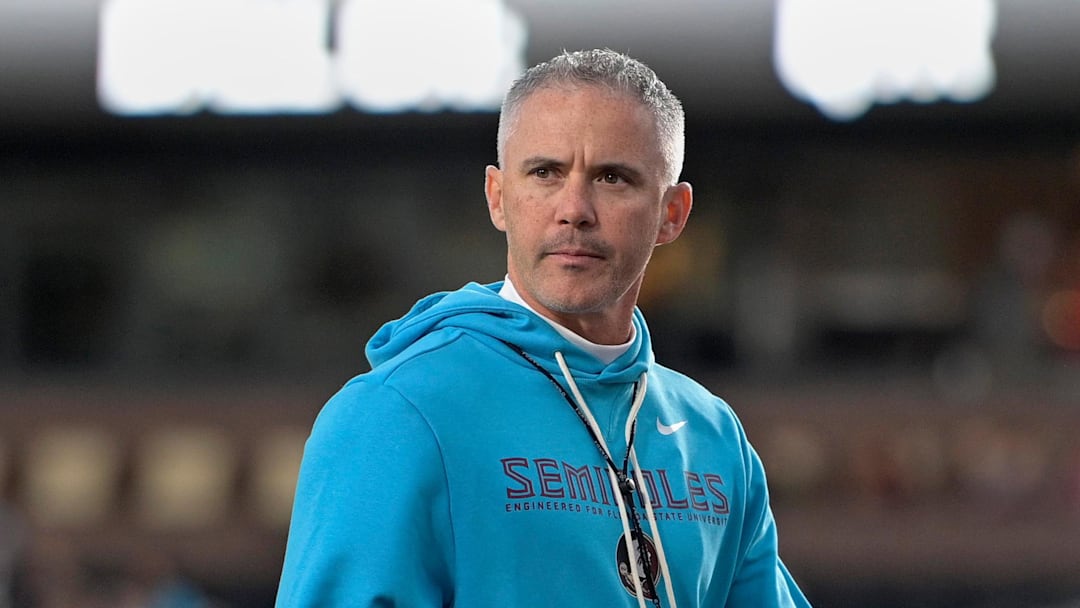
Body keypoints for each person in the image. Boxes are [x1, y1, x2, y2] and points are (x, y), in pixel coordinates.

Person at [275, 48, 811, 608]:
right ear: (498, 197)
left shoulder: (712, 437)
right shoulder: (397, 414)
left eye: (612, 177)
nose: (574, 208)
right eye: (545, 173)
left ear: (671, 214)